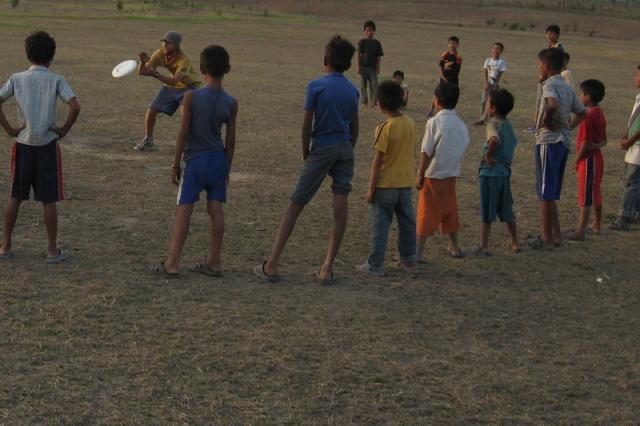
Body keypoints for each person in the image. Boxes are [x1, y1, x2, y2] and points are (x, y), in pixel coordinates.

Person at [254, 35, 359, 285]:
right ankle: (327, 267)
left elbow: (306, 125)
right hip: (344, 147)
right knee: (340, 206)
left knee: (296, 204)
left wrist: (306, 153)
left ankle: (272, 264)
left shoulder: (315, 87)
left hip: (322, 147)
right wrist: (348, 149)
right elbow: (355, 127)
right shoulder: (353, 90)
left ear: (325, 60)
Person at [152, 45, 238, 278]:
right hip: (218, 160)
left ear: (201, 69)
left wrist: (175, 163)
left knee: (184, 210)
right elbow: (230, 141)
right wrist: (226, 169)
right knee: (215, 208)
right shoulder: (231, 102)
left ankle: (172, 264)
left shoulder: (191, 97)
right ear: (227, 69)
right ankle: (214, 262)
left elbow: (183, 134)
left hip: (196, 161)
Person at [0, 31, 81, 263]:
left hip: (23, 144)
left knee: (15, 196)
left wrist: (9, 129)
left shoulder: (16, 78)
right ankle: (52, 251)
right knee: (48, 199)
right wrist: (64, 129)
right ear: (51, 56)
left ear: (28, 54)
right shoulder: (56, 80)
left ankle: (5, 246)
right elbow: (75, 106)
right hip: (46, 145)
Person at [356, 80, 417, 276]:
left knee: (380, 225)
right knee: (407, 223)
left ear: (380, 104)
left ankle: (375, 264)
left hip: (385, 185)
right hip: (405, 184)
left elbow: (377, 160)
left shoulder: (384, 127)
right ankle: (408, 259)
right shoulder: (411, 124)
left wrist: (371, 189)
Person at [528, 48, 586, 249]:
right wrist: (567, 126)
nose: (538, 68)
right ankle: (556, 235)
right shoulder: (567, 87)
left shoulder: (549, 84)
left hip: (548, 141)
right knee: (551, 190)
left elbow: (551, 104)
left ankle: (545, 238)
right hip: (563, 142)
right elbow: (581, 111)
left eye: (540, 64)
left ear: (547, 66)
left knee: (544, 192)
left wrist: (546, 120)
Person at [416, 82, 469, 260]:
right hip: (451, 174)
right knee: (449, 210)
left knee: (426, 213)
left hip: (433, 175)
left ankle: (418, 251)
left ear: (436, 100)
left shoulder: (434, 122)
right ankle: (454, 245)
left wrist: (420, 174)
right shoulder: (461, 124)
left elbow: (426, 151)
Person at [135, 31, 201, 151]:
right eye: (163, 42)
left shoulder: (184, 60)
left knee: (186, 114)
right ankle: (148, 141)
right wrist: (143, 62)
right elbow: (142, 72)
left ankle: (190, 144)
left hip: (191, 87)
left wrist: (155, 74)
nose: (164, 45)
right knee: (151, 110)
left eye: (168, 43)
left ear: (176, 45)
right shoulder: (159, 53)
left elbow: (174, 81)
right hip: (172, 87)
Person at [477, 89, 520, 255]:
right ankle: (515, 241)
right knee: (506, 208)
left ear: (492, 108)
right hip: (504, 173)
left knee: (487, 209)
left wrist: (488, 156)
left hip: (489, 173)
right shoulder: (508, 126)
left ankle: (484, 245)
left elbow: (494, 139)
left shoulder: (492, 124)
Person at [565, 79, 607, 241]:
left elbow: (585, 142)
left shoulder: (588, 116)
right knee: (595, 191)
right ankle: (596, 223)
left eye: (582, 94)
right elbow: (603, 140)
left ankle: (580, 230)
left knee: (586, 195)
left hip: (588, 161)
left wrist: (577, 159)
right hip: (597, 159)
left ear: (588, 97)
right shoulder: (599, 112)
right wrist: (595, 145)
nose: (580, 97)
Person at [610, 66, 640, 231]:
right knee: (633, 181)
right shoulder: (638, 97)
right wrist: (625, 136)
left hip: (637, 147)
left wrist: (630, 140)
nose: (635, 78)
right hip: (633, 146)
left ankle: (624, 217)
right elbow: (634, 120)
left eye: (638, 75)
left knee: (632, 182)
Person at [525, 25, 563, 134]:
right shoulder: (547, 46)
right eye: (548, 33)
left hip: (551, 79)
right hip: (544, 78)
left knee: (545, 103)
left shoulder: (559, 47)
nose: (549, 35)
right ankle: (535, 124)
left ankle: (541, 124)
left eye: (552, 33)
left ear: (557, 35)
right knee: (538, 102)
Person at [427, 36, 461, 117]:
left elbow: (457, 71)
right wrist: (443, 77)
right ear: (448, 44)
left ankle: (450, 112)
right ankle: (431, 110)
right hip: (443, 78)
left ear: (457, 45)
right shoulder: (445, 54)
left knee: (452, 95)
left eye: (454, 43)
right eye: (450, 43)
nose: (452, 45)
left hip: (452, 80)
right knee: (437, 93)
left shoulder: (458, 57)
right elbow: (441, 66)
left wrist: (448, 79)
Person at [474, 42, 506, 126]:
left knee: (493, 102)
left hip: (495, 85)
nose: (496, 50)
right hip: (487, 84)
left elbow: (500, 73)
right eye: (494, 48)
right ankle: (481, 119)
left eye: (498, 49)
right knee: (484, 101)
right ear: (491, 50)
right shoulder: (488, 60)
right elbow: (485, 71)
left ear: (501, 51)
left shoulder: (501, 62)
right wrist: (486, 83)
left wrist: (495, 84)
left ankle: (492, 119)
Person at [357, 21, 383, 108]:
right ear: (364, 31)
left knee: (374, 85)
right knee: (363, 85)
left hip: (373, 67)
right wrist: (358, 66)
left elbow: (379, 56)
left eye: (371, 30)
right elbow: (358, 54)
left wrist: (378, 68)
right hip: (363, 67)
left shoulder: (377, 43)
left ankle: (374, 103)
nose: (369, 32)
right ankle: (364, 102)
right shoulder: (362, 42)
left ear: (374, 31)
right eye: (367, 30)